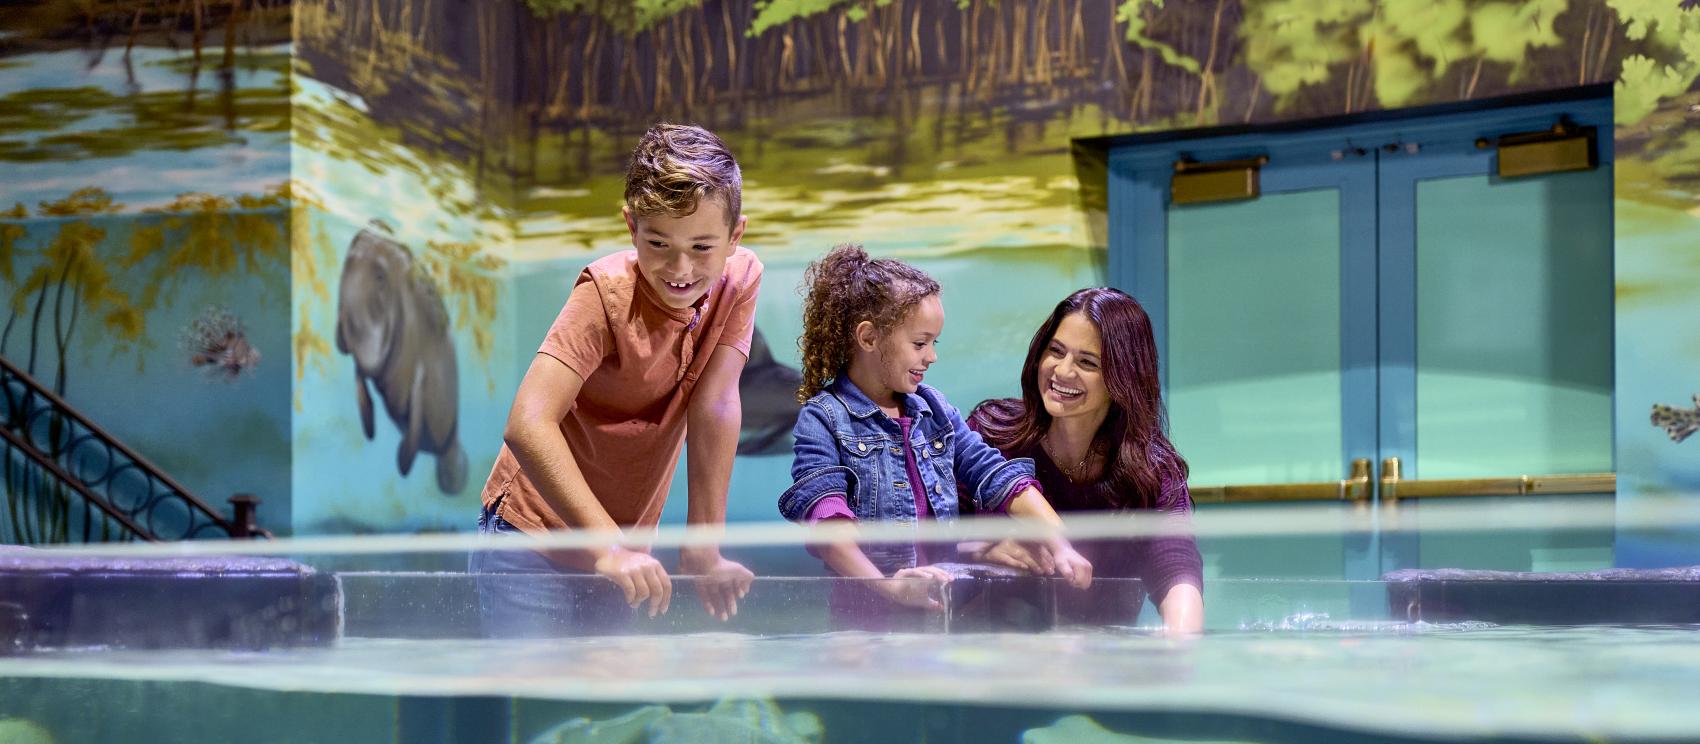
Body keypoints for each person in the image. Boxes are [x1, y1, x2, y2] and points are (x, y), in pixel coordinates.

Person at [471, 123, 759, 635]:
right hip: (533, 536)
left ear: (735, 236)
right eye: (658, 242)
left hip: (625, 552)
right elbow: (528, 423)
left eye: (702, 247)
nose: (680, 268)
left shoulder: (740, 280)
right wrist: (608, 546)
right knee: (531, 686)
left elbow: (715, 403)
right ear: (631, 226)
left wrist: (703, 545)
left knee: (604, 685)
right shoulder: (603, 294)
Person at [777, 244, 1092, 626]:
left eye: (933, 343)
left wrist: (1060, 544)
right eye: (919, 343)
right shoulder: (823, 417)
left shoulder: (934, 409)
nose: (931, 356)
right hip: (864, 626)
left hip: (940, 616)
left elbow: (996, 475)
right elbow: (827, 522)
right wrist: (890, 587)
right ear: (869, 338)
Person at [967, 287, 1204, 635]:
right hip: (990, 650)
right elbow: (933, 537)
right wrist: (982, 550)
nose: (1062, 371)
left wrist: (1184, 647)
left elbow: (1176, 568)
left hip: (1098, 656)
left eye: (1087, 362)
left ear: (1123, 378)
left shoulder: (1152, 471)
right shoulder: (991, 433)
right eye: (1056, 351)